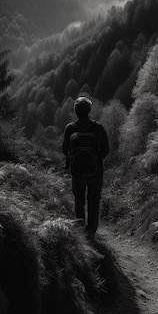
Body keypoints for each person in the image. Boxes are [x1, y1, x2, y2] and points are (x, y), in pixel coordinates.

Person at [63, 96, 109, 239]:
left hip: (77, 172)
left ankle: (81, 234)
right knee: (93, 201)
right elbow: (106, 149)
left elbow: (65, 149)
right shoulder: (98, 128)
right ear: (89, 111)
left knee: (79, 201)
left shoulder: (70, 128)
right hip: (95, 172)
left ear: (76, 111)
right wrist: (96, 158)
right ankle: (91, 233)